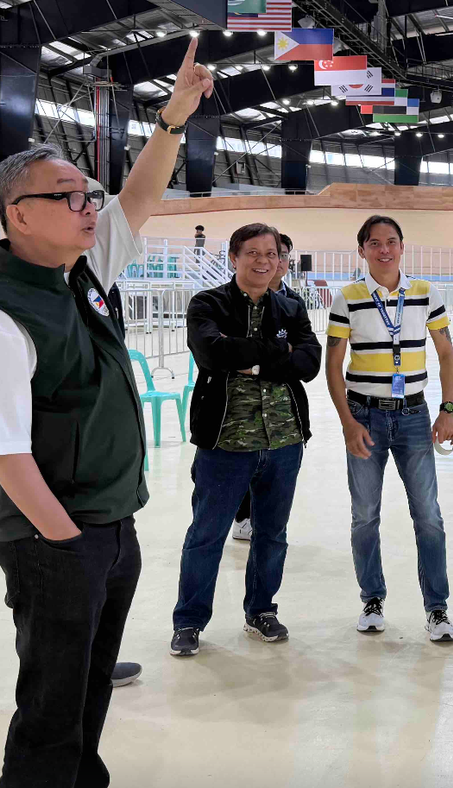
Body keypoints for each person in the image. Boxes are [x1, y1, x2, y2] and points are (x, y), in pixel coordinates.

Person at [0, 38, 212, 786]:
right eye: (67, 196)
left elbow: (141, 200)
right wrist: (66, 542)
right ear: (15, 216)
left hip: (108, 524)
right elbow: (5, 451)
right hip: (55, 537)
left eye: (85, 194)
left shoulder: (79, 271)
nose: (87, 206)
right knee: (52, 706)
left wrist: (173, 120)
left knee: (90, 687)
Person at [170, 223, 321, 656]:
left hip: (284, 442)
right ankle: (189, 621)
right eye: (251, 253)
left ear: (279, 260)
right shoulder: (208, 303)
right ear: (233, 257)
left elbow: (309, 363)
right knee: (207, 534)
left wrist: (250, 361)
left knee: (272, 534)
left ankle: (261, 611)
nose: (261, 261)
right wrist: (280, 355)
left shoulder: (291, 308)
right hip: (225, 444)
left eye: (270, 254)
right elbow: (213, 354)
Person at [325, 215, 453, 642]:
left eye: (392, 241)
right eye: (375, 243)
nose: (384, 249)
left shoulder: (425, 293)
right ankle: (372, 599)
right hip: (365, 417)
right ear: (362, 249)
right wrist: (347, 422)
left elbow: (446, 354)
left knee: (429, 516)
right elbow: (332, 365)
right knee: (365, 515)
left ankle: (437, 610)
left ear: (403, 246)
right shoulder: (346, 298)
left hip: (415, 417)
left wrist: (447, 409)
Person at [231, 230, 306, 542]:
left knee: (273, 469)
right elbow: (227, 353)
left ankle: (265, 521)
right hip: (239, 409)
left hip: (281, 405)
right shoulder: (230, 300)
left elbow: (306, 359)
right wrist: (278, 353)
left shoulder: (294, 302)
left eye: (282, 255)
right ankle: (242, 517)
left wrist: (258, 361)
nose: (278, 261)